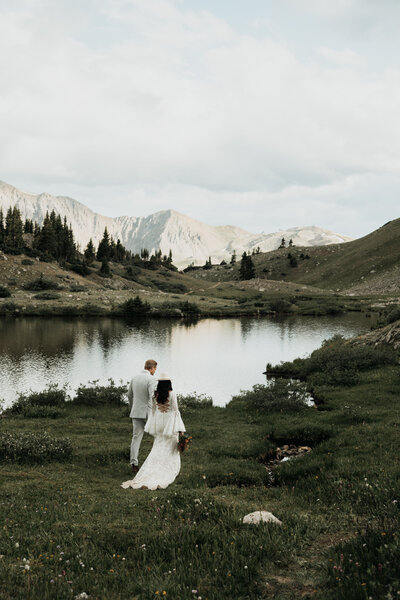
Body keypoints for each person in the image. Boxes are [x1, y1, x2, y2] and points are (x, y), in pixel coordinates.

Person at [121, 373, 185, 490]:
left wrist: (153, 425)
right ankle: (169, 469)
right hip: (169, 422)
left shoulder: (155, 394)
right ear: (169, 383)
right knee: (170, 447)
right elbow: (176, 411)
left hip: (159, 422)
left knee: (158, 445)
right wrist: (180, 429)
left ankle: (153, 468)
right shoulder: (172, 394)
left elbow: (154, 411)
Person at [127, 359, 158, 475]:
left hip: (136, 412)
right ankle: (156, 463)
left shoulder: (134, 377)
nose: (155, 371)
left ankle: (134, 464)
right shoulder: (151, 379)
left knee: (136, 438)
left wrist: (132, 407)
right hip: (148, 412)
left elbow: (129, 395)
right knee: (157, 436)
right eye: (155, 369)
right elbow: (152, 396)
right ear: (152, 368)